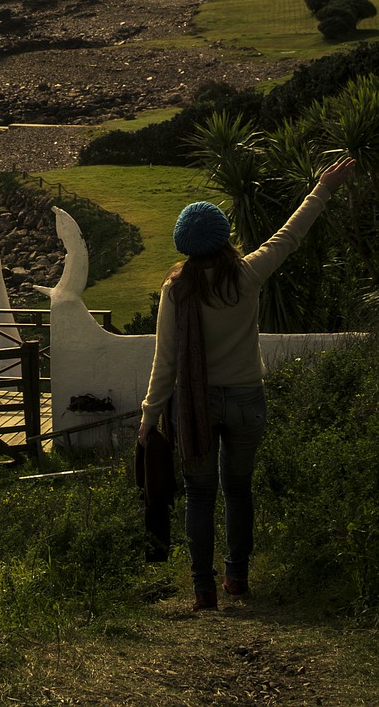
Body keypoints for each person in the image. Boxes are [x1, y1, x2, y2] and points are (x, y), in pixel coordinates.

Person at [137, 156, 356, 611]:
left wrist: (149, 417)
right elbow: (291, 234)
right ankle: (238, 577)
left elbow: (166, 362)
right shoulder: (249, 274)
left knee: (199, 495)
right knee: (239, 489)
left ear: (185, 245)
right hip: (246, 399)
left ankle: (204, 590)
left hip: (194, 406)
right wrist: (323, 188)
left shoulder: (176, 290)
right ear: (223, 239)